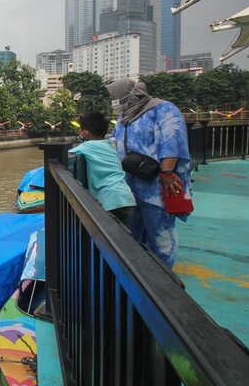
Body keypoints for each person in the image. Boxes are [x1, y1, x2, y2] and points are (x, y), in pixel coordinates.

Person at [106, 78, 192, 269]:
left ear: (129, 94)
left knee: (161, 236)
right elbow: (114, 141)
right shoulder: (125, 117)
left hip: (156, 186)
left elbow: (172, 140)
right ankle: (141, 275)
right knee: (133, 235)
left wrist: (167, 173)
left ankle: (163, 280)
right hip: (132, 185)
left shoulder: (162, 109)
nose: (115, 101)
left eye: (117, 97)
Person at [68, 111, 137, 224]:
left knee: (109, 239)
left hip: (111, 201)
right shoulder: (110, 145)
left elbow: (65, 156)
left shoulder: (87, 146)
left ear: (84, 133)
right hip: (126, 198)